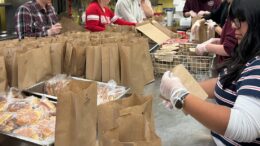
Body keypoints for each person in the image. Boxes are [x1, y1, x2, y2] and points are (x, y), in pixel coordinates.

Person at [160, 0, 260, 145]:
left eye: (240, 20)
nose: (233, 25)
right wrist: (188, 89)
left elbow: (245, 126)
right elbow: (224, 82)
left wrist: (182, 96)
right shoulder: (247, 53)